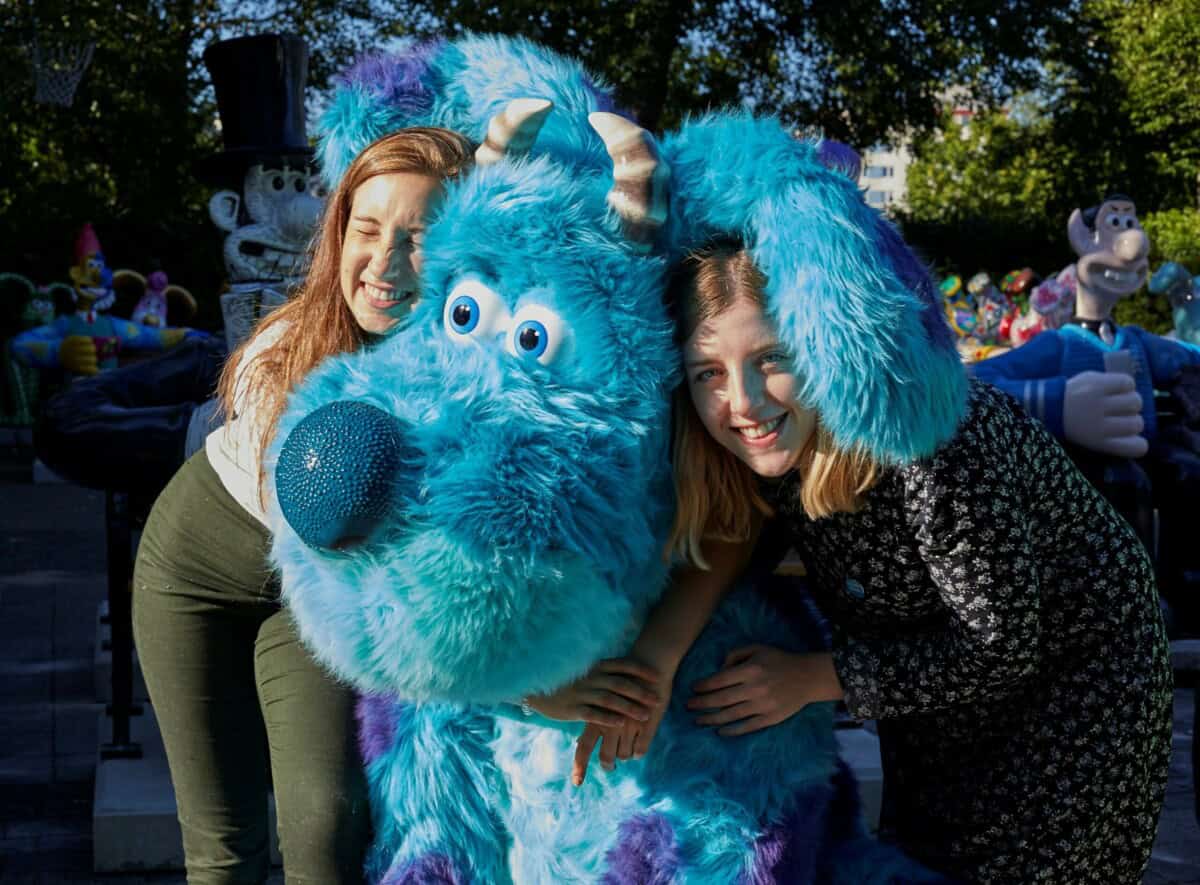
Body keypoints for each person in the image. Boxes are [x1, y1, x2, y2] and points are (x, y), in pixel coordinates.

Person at [561, 241, 1174, 884]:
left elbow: (1002, 647)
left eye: (773, 359)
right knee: (923, 859)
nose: (741, 401)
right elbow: (733, 535)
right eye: (707, 371)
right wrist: (653, 665)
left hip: (1073, 689)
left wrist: (808, 679)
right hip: (937, 699)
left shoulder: (930, 444)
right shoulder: (772, 443)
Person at [132, 127, 475, 884]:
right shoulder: (284, 351)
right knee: (225, 850)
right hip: (197, 572)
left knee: (328, 822)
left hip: (309, 603)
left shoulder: (473, 367)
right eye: (368, 229)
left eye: (418, 237)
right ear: (339, 232)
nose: (384, 264)